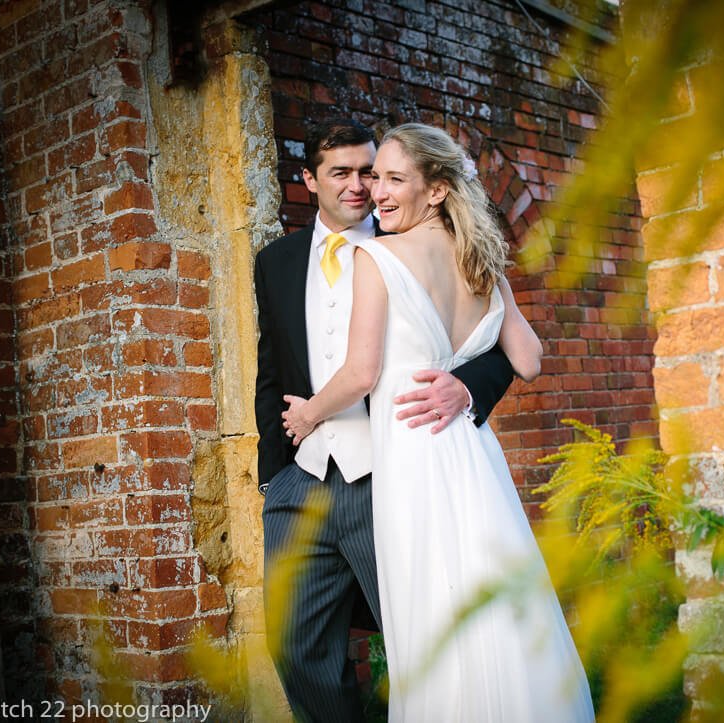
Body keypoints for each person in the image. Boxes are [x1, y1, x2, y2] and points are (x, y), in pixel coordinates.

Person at [281, 123, 595, 722]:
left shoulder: (373, 256)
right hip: (473, 459)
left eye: (396, 179)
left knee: (430, 617)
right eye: (378, 178)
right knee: (493, 602)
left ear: (438, 191)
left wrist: (309, 413)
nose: (378, 193)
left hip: (415, 463)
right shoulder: (480, 261)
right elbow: (529, 359)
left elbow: (362, 371)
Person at [254, 120, 516, 723]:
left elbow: (498, 349)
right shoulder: (277, 261)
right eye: (340, 173)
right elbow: (272, 367)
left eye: (368, 172)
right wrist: (275, 474)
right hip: (304, 481)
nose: (359, 186)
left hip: (391, 478)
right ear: (309, 180)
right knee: (295, 647)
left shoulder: (417, 242)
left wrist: (466, 388)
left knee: (418, 644)